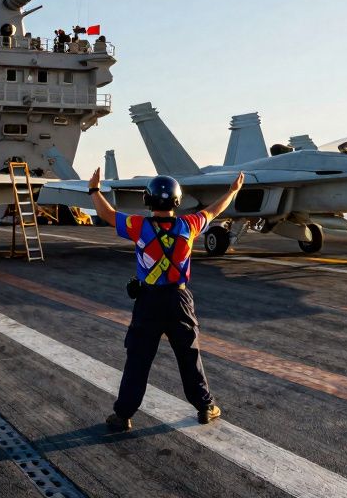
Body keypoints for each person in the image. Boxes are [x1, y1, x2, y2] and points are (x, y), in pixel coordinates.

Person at [86, 166, 245, 432]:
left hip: (148, 302)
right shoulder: (190, 225)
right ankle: (206, 407)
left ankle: (122, 415)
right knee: (189, 355)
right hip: (179, 300)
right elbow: (215, 210)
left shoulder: (138, 226)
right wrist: (232, 191)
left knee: (138, 359)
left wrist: (94, 189)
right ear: (177, 200)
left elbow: (106, 214)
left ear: (148, 200)